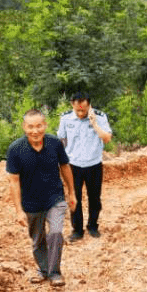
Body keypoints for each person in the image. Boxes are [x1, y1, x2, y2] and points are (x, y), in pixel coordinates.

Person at [6, 109, 77, 287]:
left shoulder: (54, 144)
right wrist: (18, 211)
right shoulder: (15, 149)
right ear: (24, 127)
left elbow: (65, 167)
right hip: (31, 202)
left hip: (55, 198)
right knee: (38, 240)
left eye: (39, 126)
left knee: (55, 233)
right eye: (30, 127)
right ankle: (44, 269)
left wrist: (72, 192)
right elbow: (13, 182)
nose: (35, 131)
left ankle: (54, 273)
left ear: (45, 125)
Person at [57, 91, 113, 241]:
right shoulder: (65, 118)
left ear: (89, 105)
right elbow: (61, 140)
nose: (80, 112)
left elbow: (107, 138)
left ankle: (93, 226)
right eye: (77, 109)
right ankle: (77, 230)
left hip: (93, 164)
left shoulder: (100, 117)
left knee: (94, 198)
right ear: (72, 105)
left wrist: (94, 124)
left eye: (83, 109)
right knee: (74, 198)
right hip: (73, 165)